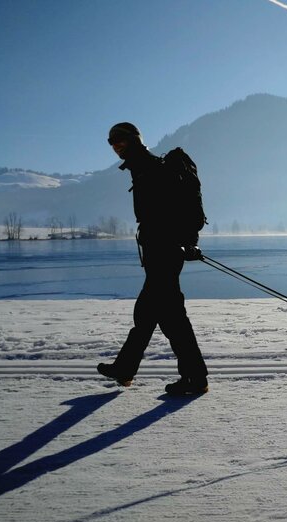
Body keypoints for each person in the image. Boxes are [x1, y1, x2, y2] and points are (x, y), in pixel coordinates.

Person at [97, 122, 209, 395]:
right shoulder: (142, 167)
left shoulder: (150, 168)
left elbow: (172, 212)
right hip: (162, 252)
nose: (116, 146)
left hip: (164, 253)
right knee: (149, 315)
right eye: (112, 143)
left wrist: (183, 243)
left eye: (120, 141)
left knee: (171, 319)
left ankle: (195, 378)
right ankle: (126, 369)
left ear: (134, 140)